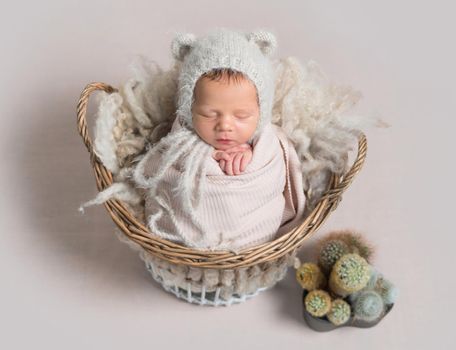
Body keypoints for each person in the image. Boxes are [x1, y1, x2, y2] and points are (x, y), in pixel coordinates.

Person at [133, 28, 306, 252]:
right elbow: (155, 171)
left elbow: (279, 168)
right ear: (188, 109)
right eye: (209, 114)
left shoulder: (267, 144)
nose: (225, 125)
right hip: (186, 242)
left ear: (261, 112)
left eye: (241, 115)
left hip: (257, 235)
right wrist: (202, 156)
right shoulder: (178, 141)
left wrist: (251, 154)